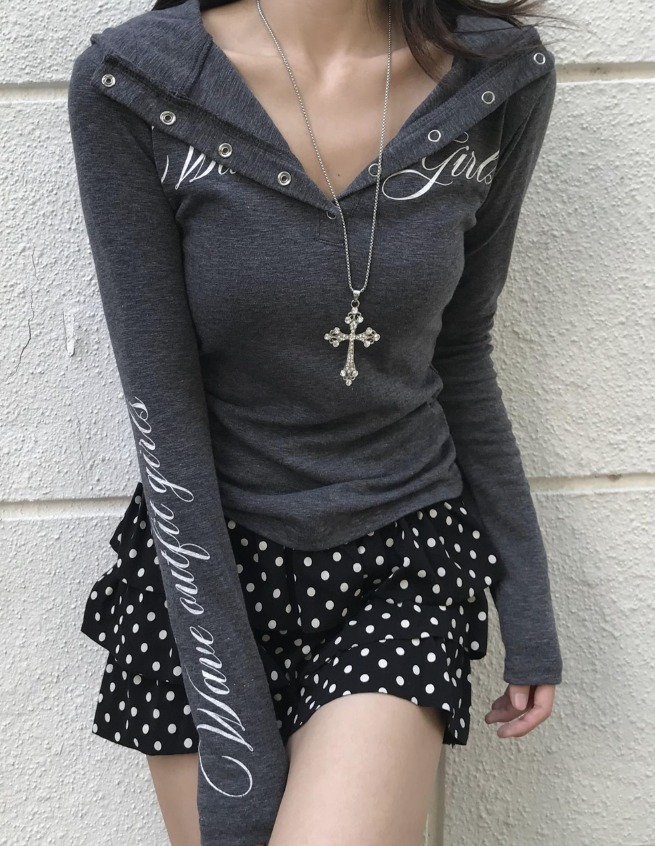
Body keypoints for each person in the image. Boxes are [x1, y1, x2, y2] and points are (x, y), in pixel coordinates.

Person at [67, 0, 565, 843]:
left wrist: (525, 600)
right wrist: (231, 732)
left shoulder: (495, 81)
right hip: (204, 560)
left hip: (401, 550)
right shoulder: (136, 83)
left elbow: (460, 353)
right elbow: (162, 411)